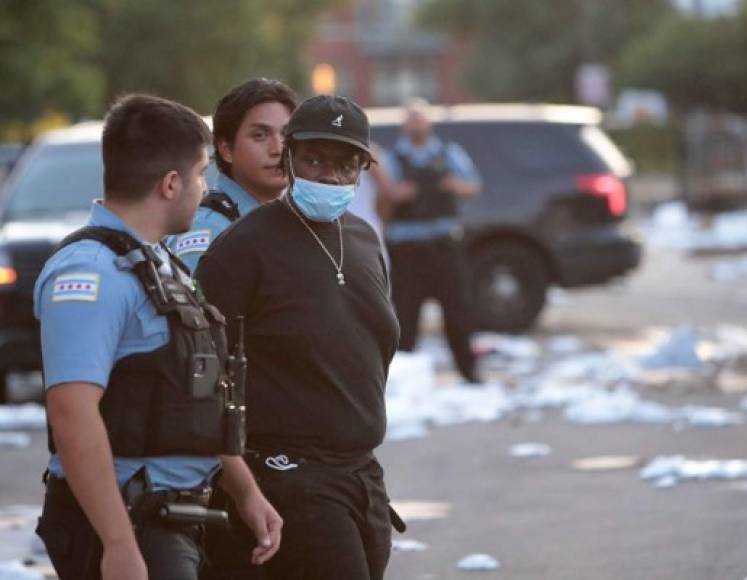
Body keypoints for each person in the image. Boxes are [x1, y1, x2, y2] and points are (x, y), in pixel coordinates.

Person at [34, 94, 282, 580]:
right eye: (200, 173)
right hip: (127, 525)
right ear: (170, 184)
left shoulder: (158, 264)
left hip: (171, 521)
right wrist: (118, 544)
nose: (204, 187)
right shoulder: (89, 272)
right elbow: (72, 412)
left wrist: (246, 492)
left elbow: (191, 396)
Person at [196, 94, 403, 579]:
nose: (329, 176)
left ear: (363, 168)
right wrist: (240, 481)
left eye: (345, 163)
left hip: (362, 473)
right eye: (315, 159)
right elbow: (200, 372)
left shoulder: (363, 239)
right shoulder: (243, 247)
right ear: (289, 157)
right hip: (289, 478)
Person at [383, 98, 483, 383]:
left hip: (444, 245)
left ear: (429, 122)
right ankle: (402, 377)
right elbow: (384, 196)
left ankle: (469, 371)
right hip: (407, 249)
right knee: (404, 317)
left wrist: (454, 186)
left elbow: (473, 186)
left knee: (458, 312)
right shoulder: (394, 158)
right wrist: (398, 194)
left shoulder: (447, 154)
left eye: (420, 118)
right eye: (411, 118)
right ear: (404, 124)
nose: (416, 123)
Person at [169, 78, 298, 272]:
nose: (278, 149)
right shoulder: (209, 230)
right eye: (260, 135)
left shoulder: (291, 224)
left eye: (287, 135)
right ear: (226, 149)